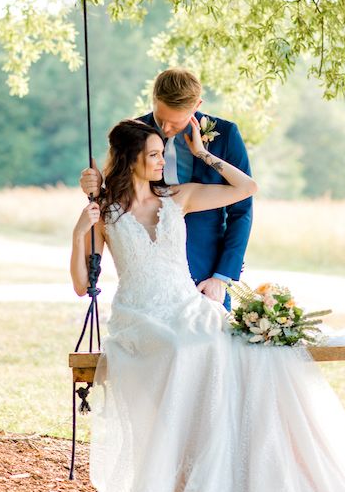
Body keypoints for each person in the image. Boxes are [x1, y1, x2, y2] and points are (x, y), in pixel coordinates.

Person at [70, 118, 345, 492]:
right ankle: (180, 481)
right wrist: (79, 232)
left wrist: (204, 154)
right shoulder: (105, 212)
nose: (160, 160)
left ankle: (228, 477)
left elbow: (246, 187)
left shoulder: (178, 196)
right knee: (187, 350)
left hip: (186, 307)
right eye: (152, 154)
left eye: (160, 153)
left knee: (239, 348)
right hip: (140, 318)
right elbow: (81, 285)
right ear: (130, 158)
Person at [80, 68, 252, 311]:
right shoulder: (134, 131)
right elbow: (120, 193)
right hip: (151, 272)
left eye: (175, 122)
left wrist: (222, 276)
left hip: (207, 266)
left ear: (197, 105)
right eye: (161, 118)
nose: (166, 128)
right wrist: (96, 186)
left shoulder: (225, 135)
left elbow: (241, 211)